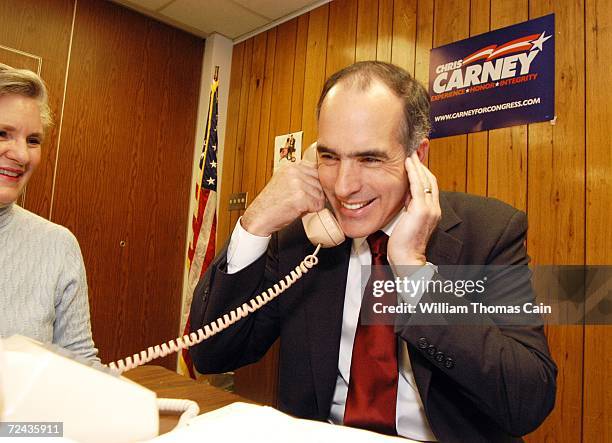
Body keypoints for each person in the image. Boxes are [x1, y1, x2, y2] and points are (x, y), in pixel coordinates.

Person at [189, 61, 556, 441]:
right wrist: (256, 222)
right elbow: (212, 353)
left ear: (418, 157)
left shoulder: (490, 232)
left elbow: (526, 403)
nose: (344, 186)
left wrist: (414, 272)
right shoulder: (303, 239)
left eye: (370, 159)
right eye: (330, 157)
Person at [0, 63, 99, 364]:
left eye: (33, 140)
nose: (21, 155)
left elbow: (79, 360)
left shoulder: (58, 245)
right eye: (3, 133)